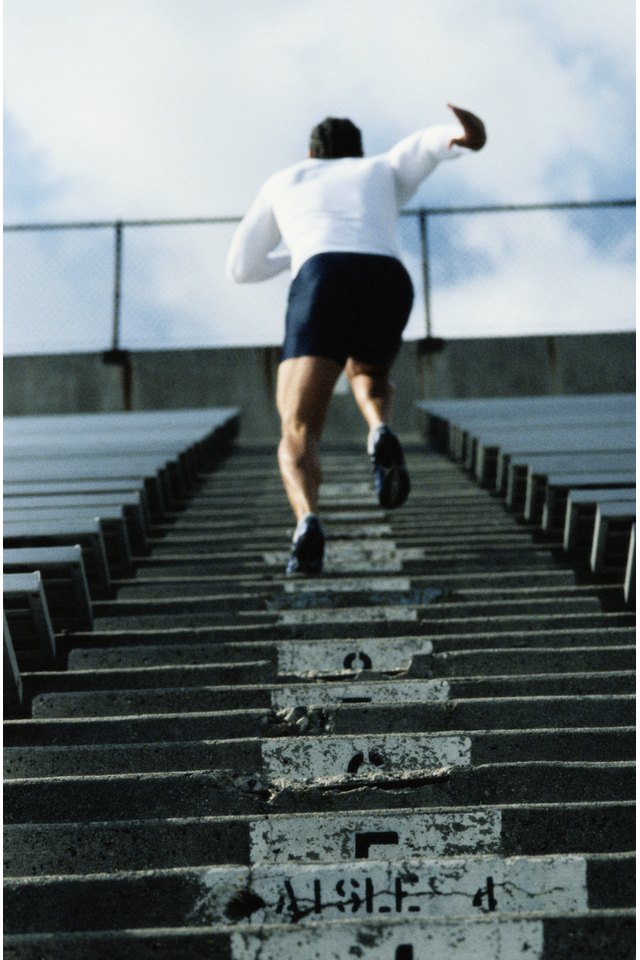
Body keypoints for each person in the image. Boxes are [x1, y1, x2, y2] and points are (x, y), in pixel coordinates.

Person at [226, 104, 486, 576]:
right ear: (357, 150)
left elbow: (241, 267)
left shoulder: (286, 179)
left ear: (311, 152)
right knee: (368, 370)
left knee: (298, 427)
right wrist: (463, 136)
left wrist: (292, 258)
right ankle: (378, 427)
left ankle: (307, 519)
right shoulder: (382, 168)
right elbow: (426, 144)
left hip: (322, 274)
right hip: (387, 276)